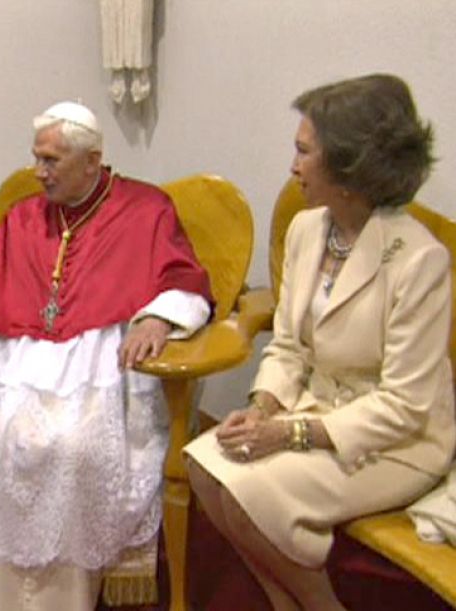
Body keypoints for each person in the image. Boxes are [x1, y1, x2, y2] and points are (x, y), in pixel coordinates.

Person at [0, 101, 213, 611]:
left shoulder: (146, 209)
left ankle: (64, 599)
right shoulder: (25, 216)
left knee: (74, 447)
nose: (38, 172)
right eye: (36, 158)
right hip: (29, 359)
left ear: (92, 160)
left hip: (105, 360)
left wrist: (157, 317)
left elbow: (182, 275)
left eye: (52, 161)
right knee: (1, 436)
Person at [184, 73, 456, 611]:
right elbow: (288, 347)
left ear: (350, 169)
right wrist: (261, 409)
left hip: (398, 442)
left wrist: (290, 434)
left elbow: (405, 405)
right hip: (310, 411)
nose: (293, 166)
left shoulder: (420, 260)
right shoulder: (308, 230)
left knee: (246, 494)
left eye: (304, 152)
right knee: (202, 463)